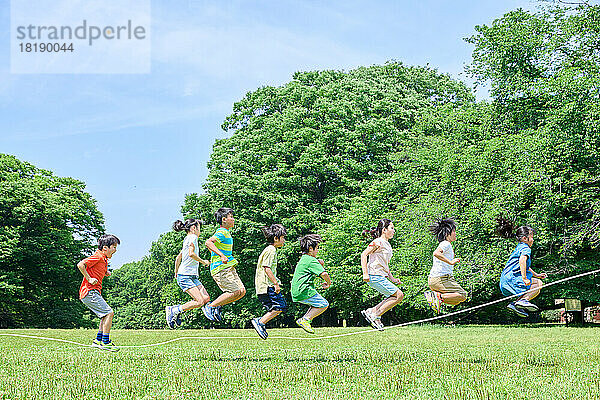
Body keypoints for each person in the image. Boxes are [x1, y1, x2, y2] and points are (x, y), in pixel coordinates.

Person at [165, 218, 212, 329]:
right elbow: (191, 254)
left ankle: (177, 311)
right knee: (200, 301)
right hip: (186, 276)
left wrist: (176, 272)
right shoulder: (193, 237)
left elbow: (178, 258)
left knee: (205, 298)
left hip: (189, 275)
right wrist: (203, 261)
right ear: (194, 228)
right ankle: (174, 310)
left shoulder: (186, 239)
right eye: (199, 228)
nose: (200, 231)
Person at [77, 234, 120, 351]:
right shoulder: (98, 257)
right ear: (105, 248)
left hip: (93, 292)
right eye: (114, 247)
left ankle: (98, 340)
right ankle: (105, 342)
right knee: (109, 313)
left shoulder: (104, 259)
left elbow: (98, 268)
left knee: (104, 316)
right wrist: (89, 278)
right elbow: (80, 265)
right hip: (89, 291)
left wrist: (105, 272)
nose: (115, 250)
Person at [497, 216, 547, 317]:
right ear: (525, 238)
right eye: (531, 237)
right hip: (512, 279)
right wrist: (524, 278)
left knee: (537, 281)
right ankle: (523, 300)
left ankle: (515, 304)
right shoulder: (525, 248)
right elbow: (522, 261)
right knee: (538, 284)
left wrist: (536, 275)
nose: (533, 240)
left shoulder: (519, 247)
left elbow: (525, 266)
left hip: (505, 281)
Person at [360, 218, 404, 330]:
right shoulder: (377, 242)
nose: (394, 231)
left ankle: (372, 312)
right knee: (399, 295)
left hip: (380, 276)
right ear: (384, 230)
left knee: (393, 296)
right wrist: (365, 274)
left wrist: (392, 279)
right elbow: (364, 255)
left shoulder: (387, 244)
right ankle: (375, 315)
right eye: (392, 228)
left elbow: (384, 264)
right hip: (374, 275)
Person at [203, 208, 246, 322]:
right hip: (220, 268)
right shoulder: (221, 232)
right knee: (234, 292)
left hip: (228, 268)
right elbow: (208, 242)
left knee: (241, 291)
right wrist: (221, 255)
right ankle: (210, 307)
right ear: (224, 219)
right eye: (231, 217)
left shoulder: (226, 232)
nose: (233, 219)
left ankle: (218, 305)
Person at [251, 224, 288, 339]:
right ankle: (260, 322)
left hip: (262, 286)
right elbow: (267, 268)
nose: (284, 240)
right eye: (283, 237)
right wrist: (276, 284)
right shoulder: (271, 250)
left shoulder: (269, 249)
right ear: (276, 238)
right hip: (268, 286)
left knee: (276, 307)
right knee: (279, 306)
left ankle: (261, 323)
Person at [424, 218, 468, 314]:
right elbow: (436, 253)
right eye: (454, 231)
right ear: (447, 233)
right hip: (441, 279)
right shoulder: (446, 244)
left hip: (438, 279)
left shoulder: (446, 244)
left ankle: (438, 298)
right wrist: (451, 262)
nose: (455, 234)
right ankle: (437, 297)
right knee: (462, 295)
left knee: (456, 300)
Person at [291, 234, 332, 334]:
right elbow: (324, 274)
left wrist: (318, 262)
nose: (317, 250)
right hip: (304, 290)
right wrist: (328, 283)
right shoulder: (311, 261)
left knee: (316, 304)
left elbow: (308, 268)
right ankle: (305, 319)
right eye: (317, 248)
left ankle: (305, 319)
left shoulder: (305, 259)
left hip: (297, 290)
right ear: (310, 249)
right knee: (323, 304)